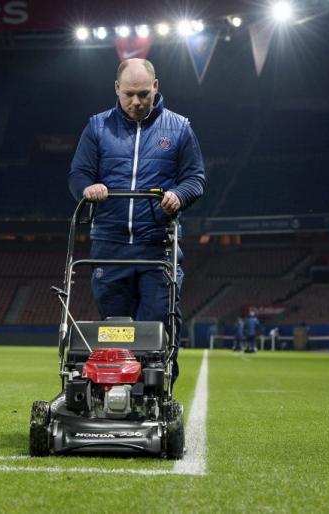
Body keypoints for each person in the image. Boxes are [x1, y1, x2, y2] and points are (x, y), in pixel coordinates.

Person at [68, 58, 206, 385]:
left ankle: (158, 395)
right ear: (116, 89)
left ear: (155, 87)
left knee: (157, 325)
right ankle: (115, 394)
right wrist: (87, 189)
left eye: (143, 93)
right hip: (109, 247)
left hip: (156, 247)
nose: (136, 102)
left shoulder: (180, 128)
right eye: (129, 94)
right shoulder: (97, 127)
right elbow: (78, 173)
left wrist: (179, 194)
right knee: (115, 328)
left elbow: (196, 178)